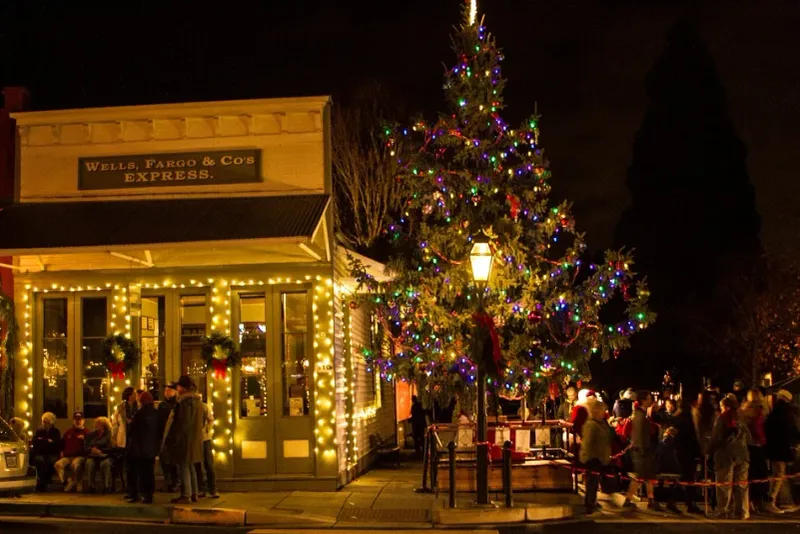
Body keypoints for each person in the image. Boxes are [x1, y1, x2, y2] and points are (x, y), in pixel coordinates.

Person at [162, 375, 205, 504]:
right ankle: (194, 493)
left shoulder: (185, 402)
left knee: (183, 465)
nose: (177, 388)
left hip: (185, 439)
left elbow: (183, 423)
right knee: (190, 465)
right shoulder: (199, 402)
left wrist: (175, 438)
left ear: (184, 388)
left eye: (179, 386)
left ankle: (186, 494)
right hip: (194, 438)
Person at [708, 396, 750, 519]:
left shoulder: (722, 418)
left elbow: (716, 437)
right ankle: (742, 512)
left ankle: (723, 510)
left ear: (725, 406)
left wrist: (708, 451)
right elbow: (749, 437)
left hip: (725, 455)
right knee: (741, 484)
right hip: (742, 454)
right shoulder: (741, 417)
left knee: (724, 484)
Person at [623, 391, 662, 511]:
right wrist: (642, 449)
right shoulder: (640, 415)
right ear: (644, 400)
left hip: (643, 449)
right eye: (650, 398)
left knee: (647, 475)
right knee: (639, 476)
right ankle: (628, 500)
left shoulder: (641, 414)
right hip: (642, 450)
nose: (651, 400)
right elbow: (639, 433)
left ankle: (651, 499)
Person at [764, 389, 799, 514]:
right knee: (779, 474)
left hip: (777, 449)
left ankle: (783, 501)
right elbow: (791, 430)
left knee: (780, 475)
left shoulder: (775, 412)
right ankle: (771, 501)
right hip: (783, 449)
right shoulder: (786, 413)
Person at [127, 391, 160, 503]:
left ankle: (143, 493)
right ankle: (149, 494)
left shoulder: (140, 414)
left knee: (141, 472)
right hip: (151, 448)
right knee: (149, 471)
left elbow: (132, 430)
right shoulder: (156, 413)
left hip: (140, 448)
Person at [673, 395, 703, 514]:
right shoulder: (687, 417)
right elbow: (690, 435)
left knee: (684, 477)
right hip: (687, 451)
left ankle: (683, 502)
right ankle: (687, 503)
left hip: (682, 450)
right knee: (687, 477)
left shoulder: (678, 416)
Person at [580, 401, 610, 515]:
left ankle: (591, 502)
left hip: (599, 457)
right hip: (593, 457)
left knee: (593, 482)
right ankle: (589, 504)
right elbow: (587, 443)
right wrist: (584, 457)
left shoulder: (601, 423)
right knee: (592, 482)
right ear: (596, 410)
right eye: (602, 410)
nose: (604, 412)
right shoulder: (591, 424)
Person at [741, 387, 769, 512]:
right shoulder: (760, 410)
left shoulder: (744, 410)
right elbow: (758, 429)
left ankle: (749, 501)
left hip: (746, 445)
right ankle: (756, 502)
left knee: (749, 475)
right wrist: (762, 440)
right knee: (760, 475)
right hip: (757, 446)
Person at [54, 411, 88, 492]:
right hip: (67, 456)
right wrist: (61, 451)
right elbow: (62, 443)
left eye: (80, 419)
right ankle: (67, 481)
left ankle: (78, 482)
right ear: (73, 421)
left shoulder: (87, 432)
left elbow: (89, 446)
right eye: (76, 419)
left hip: (80, 456)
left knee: (75, 465)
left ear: (83, 420)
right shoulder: (68, 432)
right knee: (58, 464)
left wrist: (84, 440)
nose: (78, 421)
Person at [195, 400, 219, 499]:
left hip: (204, 439)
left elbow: (211, 420)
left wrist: (207, 430)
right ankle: (202, 489)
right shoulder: (201, 406)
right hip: (199, 439)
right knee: (198, 465)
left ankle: (211, 489)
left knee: (208, 464)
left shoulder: (204, 406)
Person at [654, 426, 682, 514]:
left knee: (660, 485)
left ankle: (656, 502)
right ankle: (671, 503)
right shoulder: (672, 443)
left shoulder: (663, 442)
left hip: (663, 468)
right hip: (671, 469)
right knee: (672, 486)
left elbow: (659, 456)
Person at [157, 382, 179, 492]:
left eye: (169, 390)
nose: (167, 392)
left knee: (174, 463)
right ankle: (168, 482)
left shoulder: (177, 405)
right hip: (163, 438)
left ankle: (175, 483)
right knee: (165, 462)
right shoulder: (162, 405)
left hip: (174, 438)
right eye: (166, 390)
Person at [31, 412, 60, 491]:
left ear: (51, 423)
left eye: (47, 422)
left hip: (51, 453)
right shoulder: (38, 431)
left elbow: (55, 445)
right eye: (43, 422)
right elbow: (35, 442)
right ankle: (41, 482)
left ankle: (45, 482)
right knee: (39, 461)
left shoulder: (55, 432)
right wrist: (47, 441)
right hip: (40, 453)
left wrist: (43, 441)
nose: (44, 424)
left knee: (51, 462)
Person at [84, 416, 114, 493]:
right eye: (96, 423)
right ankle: (91, 485)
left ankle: (106, 486)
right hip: (93, 456)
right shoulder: (91, 435)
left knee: (105, 464)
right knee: (89, 463)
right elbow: (86, 446)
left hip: (105, 456)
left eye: (98, 424)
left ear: (104, 425)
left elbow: (112, 448)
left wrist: (100, 451)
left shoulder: (109, 435)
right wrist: (92, 450)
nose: (96, 425)